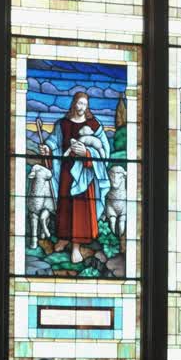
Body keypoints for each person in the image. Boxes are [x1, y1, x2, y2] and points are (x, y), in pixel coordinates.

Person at [38, 91, 112, 264]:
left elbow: (104, 149)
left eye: (84, 105)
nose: (81, 107)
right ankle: (64, 238)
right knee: (65, 207)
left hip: (85, 175)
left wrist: (86, 153)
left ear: (88, 107)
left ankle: (77, 247)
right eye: (79, 103)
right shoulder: (62, 124)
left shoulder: (94, 125)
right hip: (66, 172)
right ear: (73, 104)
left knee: (80, 210)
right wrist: (47, 149)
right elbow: (53, 142)